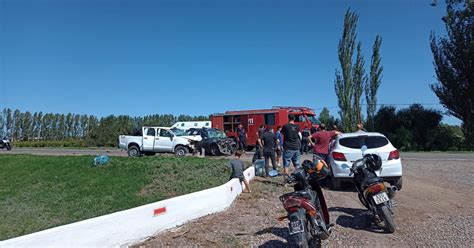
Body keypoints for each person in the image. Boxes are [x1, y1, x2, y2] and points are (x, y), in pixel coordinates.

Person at [281, 115, 302, 184]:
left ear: (288, 118)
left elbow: (282, 133)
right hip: (296, 147)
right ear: (294, 118)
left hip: (288, 147)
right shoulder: (297, 126)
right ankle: (299, 181)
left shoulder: (285, 126)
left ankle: (285, 182)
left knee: (286, 165)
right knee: (297, 165)